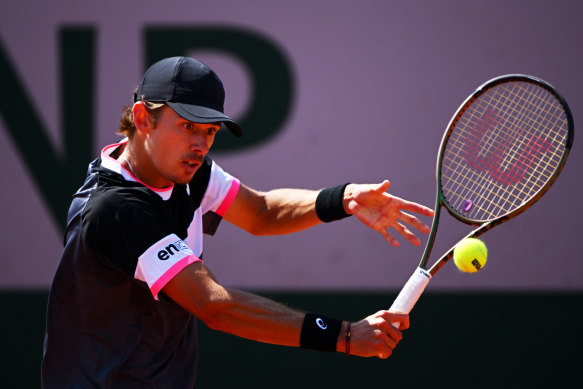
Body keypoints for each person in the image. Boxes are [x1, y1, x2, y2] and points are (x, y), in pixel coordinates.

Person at [41, 56, 435, 388]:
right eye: (188, 127)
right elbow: (215, 306)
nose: (200, 145)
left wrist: (342, 199)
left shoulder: (189, 172)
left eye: (210, 131)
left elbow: (262, 212)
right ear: (144, 118)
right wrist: (344, 336)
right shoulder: (116, 208)